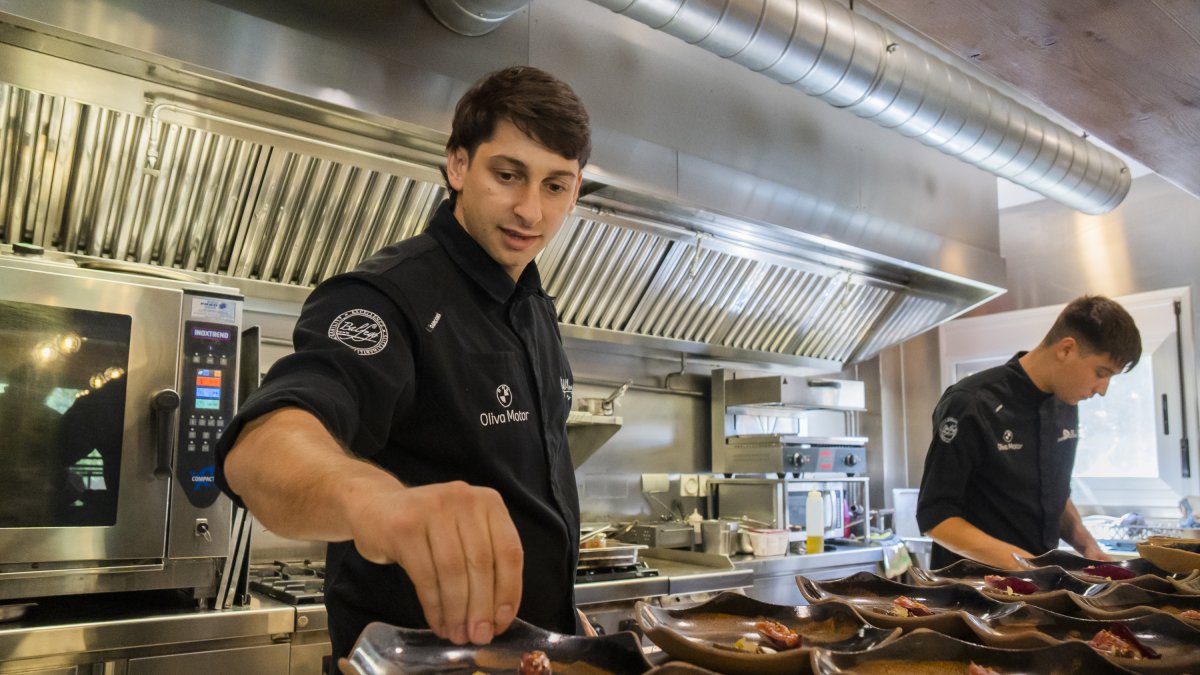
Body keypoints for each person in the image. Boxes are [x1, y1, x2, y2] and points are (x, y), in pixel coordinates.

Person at [215, 65, 591, 659]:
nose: (530, 211)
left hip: (533, 654)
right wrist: (378, 502)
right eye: (508, 174)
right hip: (419, 663)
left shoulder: (532, 305)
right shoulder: (385, 297)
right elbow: (263, 447)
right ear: (459, 166)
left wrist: (563, 618)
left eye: (555, 186)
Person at [915, 295, 1142, 570]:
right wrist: (1027, 567)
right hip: (975, 596)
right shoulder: (970, 402)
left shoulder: (1065, 402)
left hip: (1038, 590)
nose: (1102, 389)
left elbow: (1051, 492)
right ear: (1066, 349)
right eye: (1101, 372)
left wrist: (1085, 544)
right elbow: (937, 518)